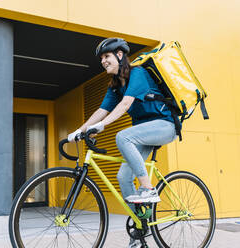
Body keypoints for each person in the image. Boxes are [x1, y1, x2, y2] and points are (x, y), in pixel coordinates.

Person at [68, 38, 177, 247]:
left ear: (119, 55)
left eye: (106, 56)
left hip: (164, 126)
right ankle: (139, 229)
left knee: (122, 136)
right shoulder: (115, 85)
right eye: (101, 58)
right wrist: (79, 130)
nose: (103, 61)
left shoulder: (137, 73)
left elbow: (126, 104)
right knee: (123, 176)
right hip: (144, 132)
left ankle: (149, 189)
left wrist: (103, 125)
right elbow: (102, 110)